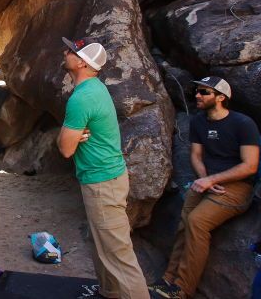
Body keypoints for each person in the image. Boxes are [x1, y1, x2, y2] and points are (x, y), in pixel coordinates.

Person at [149, 77, 259, 299]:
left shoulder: (243, 123)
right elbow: (196, 155)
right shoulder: (199, 121)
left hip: (236, 187)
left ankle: (182, 289)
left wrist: (213, 180)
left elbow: (250, 166)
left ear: (221, 98)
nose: (197, 95)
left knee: (197, 222)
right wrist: (204, 179)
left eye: (204, 92)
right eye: (196, 91)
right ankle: (168, 279)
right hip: (207, 182)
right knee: (184, 222)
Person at [56, 36, 150, 299]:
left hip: (103, 182)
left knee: (118, 255)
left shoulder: (82, 99)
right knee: (101, 244)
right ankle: (109, 293)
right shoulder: (94, 89)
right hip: (103, 177)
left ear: (83, 64)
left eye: (73, 51)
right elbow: (69, 142)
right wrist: (70, 136)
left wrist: (67, 136)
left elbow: (65, 148)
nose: (66, 53)